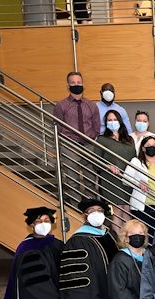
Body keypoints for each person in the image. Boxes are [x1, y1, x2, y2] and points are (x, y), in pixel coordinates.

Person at [53, 71, 100, 203]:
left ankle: (92, 210)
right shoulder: (61, 105)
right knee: (72, 181)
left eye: (78, 82)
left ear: (83, 84)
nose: (76, 85)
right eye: (73, 83)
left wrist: (89, 138)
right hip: (70, 147)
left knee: (91, 181)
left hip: (89, 146)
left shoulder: (91, 105)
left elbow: (96, 127)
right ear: (68, 85)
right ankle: (76, 211)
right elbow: (57, 125)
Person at [94, 110, 136, 233]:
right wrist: (108, 166)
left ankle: (129, 238)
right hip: (111, 180)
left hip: (127, 180)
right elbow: (95, 161)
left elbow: (135, 159)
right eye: (109, 120)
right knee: (117, 211)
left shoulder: (129, 139)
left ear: (120, 121)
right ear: (106, 123)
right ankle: (120, 241)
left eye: (115, 120)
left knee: (127, 209)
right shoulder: (102, 139)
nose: (112, 122)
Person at [124, 136, 155, 238]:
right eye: (148, 145)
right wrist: (138, 183)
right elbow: (125, 179)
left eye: (154, 145)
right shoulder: (136, 161)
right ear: (143, 148)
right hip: (142, 207)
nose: (151, 147)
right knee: (145, 236)